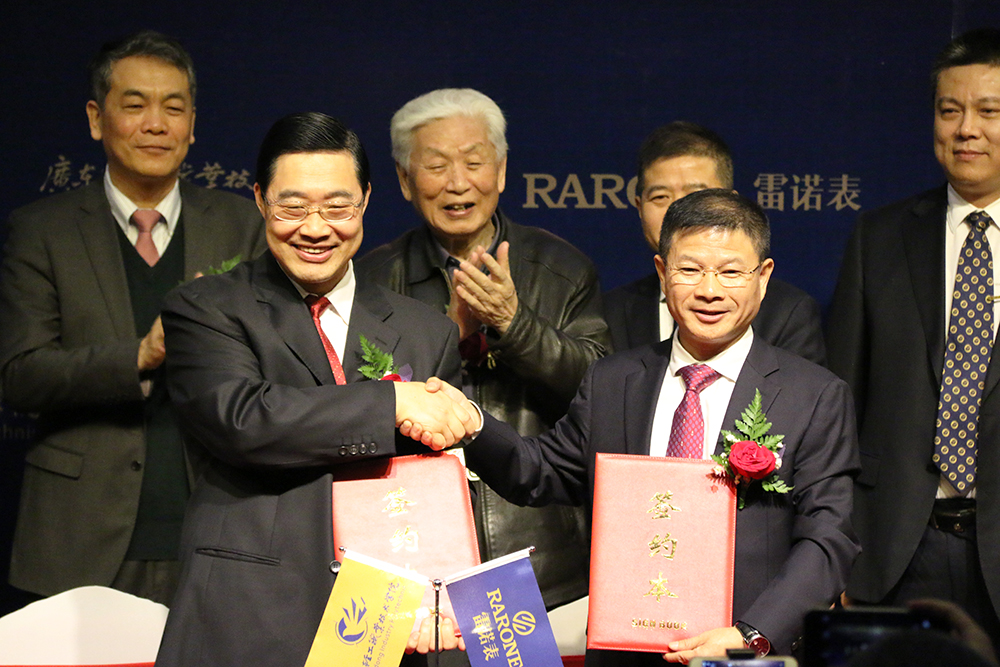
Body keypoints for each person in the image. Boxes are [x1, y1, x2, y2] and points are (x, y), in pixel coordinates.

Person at [443, 189, 859, 664]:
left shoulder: (813, 396)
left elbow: (828, 539)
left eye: (730, 272)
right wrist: (471, 425)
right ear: (662, 273)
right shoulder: (613, 381)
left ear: (762, 278)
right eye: (690, 270)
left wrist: (752, 635)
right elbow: (539, 471)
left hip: (741, 655)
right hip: (626, 651)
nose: (709, 290)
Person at [154, 112, 476, 667]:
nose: (315, 228)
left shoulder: (426, 330)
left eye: (337, 207)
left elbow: (436, 480)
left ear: (366, 201)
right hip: (249, 616)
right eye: (293, 207)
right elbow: (242, 420)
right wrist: (391, 401)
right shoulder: (205, 308)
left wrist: (442, 586)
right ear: (260, 200)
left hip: (390, 622)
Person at [0, 30, 266, 605]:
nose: (155, 125)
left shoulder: (242, 225)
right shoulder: (42, 230)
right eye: (135, 105)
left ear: (192, 125)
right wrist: (140, 357)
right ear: (97, 119)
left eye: (174, 108)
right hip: (79, 533)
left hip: (217, 524)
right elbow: (19, 375)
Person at [356, 88, 610, 611]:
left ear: (501, 170)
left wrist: (513, 324)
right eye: (435, 166)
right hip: (413, 548)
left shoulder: (561, 269)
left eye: (474, 163)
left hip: (543, 552)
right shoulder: (372, 281)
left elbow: (602, 392)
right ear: (404, 179)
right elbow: (354, 409)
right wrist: (448, 338)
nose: (457, 183)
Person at [827, 27, 1000, 649]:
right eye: (950, 110)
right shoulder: (879, 237)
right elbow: (839, 404)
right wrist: (836, 551)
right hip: (895, 550)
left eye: (989, 111)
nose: (966, 129)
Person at [605, 121, 826, 364]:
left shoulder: (788, 312)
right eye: (660, 197)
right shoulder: (611, 311)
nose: (676, 211)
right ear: (639, 207)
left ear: (731, 203)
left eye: (696, 195)